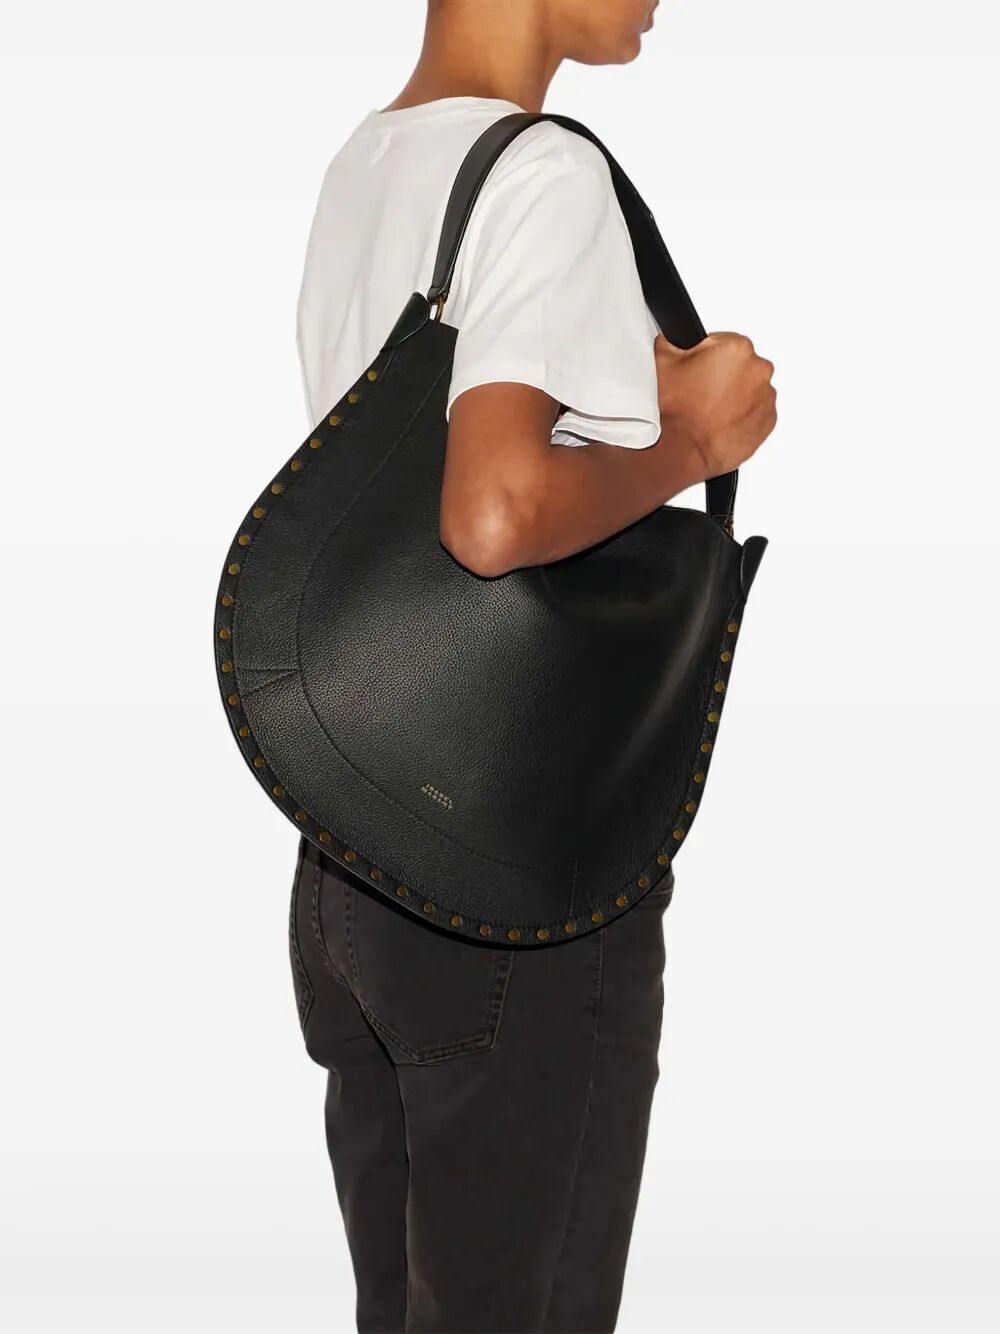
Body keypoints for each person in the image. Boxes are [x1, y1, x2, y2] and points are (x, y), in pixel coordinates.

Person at [289, 2, 777, 1331]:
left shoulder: (371, 161)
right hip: (514, 882)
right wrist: (693, 444)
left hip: (356, 858)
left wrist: (629, 398)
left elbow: (405, 478)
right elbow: (493, 514)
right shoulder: (546, 175)